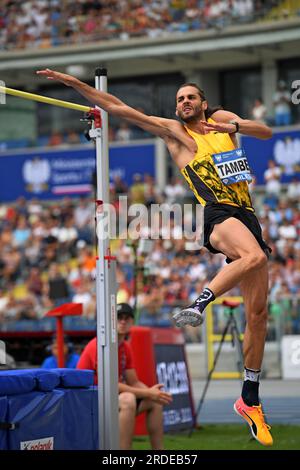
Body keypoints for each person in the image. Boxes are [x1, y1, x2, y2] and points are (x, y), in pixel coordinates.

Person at [36, 68, 273, 446]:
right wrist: (75, 84)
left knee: (258, 316)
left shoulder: (223, 120)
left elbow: (266, 132)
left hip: (248, 215)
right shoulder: (174, 132)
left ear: (203, 102)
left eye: (190, 97)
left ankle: (249, 397)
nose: (183, 103)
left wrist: (235, 127)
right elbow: (119, 107)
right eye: (179, 99)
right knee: (256, 257)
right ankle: (200, 302)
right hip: (217, 214)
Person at [77, 303, 172, 450]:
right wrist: (148, 392)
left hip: (107, 398)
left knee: (155, 401)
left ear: (132, 322)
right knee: (128, 400)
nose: (123, 321)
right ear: (111, 322)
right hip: (89, 400)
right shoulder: (100, 345)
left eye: (127, 318)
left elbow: (133, 381)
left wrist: (154, 393)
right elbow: (110, 384)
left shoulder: (125, 347)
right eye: (119, 317)